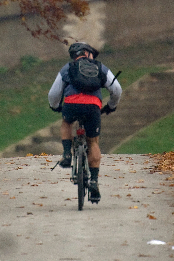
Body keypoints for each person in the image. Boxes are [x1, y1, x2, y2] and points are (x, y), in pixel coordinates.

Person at [48, 41, 122, 204]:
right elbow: (116, 89)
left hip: (71, 104)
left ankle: (67, 154)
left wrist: (55, 107)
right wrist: (111, 106)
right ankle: (94, 181)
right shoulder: (100, 67)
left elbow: (54, 93)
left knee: (66, 123)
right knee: (93, 142)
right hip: (93, 107)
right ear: (87, 54)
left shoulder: (68, 68)